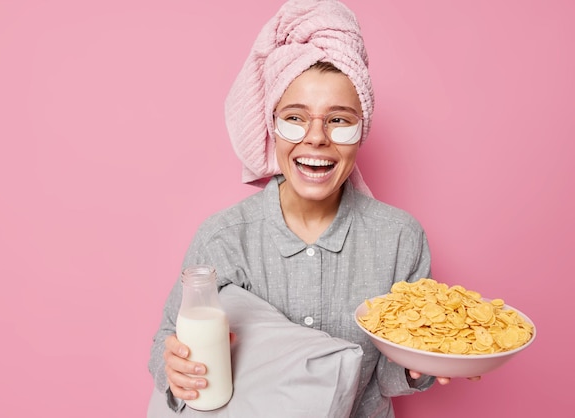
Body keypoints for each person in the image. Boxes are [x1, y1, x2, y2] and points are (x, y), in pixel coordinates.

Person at [148, 1, 478, 416]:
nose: (316, 138)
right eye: (295, 118)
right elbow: (167, 341)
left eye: (339, 120)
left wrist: (420, 365)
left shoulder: (400, 239)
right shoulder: (223, 238)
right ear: (272, 127)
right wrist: (174, 368)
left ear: (363, 130)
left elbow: (388, 379)